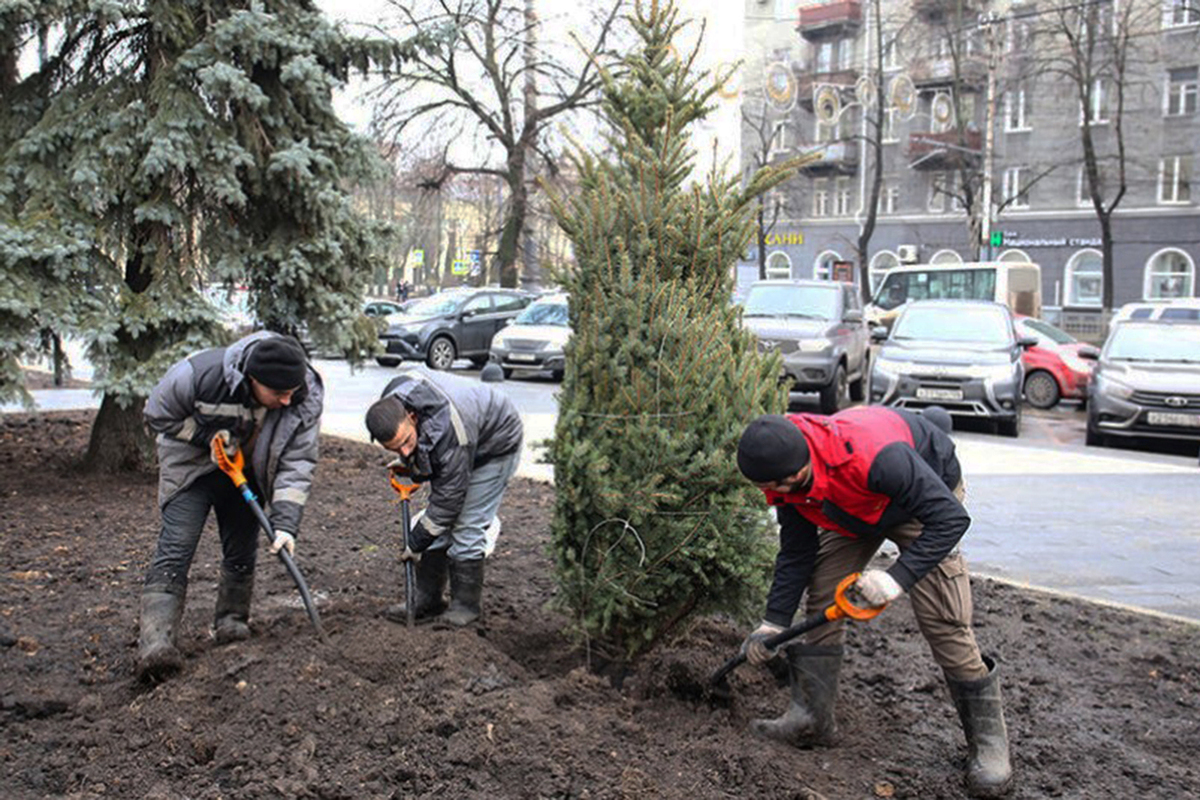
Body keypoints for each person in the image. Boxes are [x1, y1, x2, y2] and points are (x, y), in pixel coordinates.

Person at [735, 406, 1012, 798]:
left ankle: (988, 747)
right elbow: (796, 551)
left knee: (944, 619)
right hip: (852, 504)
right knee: (826, 593)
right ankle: (812, 718)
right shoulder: (786, 468)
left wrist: (895, 579)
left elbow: (950, 519)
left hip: (923, 501)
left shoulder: (876, 457)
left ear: (797, 472)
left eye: (779, 487)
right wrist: (773, 623)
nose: (774, 496)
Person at [137, 332, 323, 681]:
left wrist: (285, 524)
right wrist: (207, 437)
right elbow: (158, 415)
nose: (286, 401)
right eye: (278, 394)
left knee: (241, 546)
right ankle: (155, 643)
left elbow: (297, 461)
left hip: (246, 468)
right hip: (191, 468)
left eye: (291, 393)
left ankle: (232, 621)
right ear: (253, 380)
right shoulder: (198, 376)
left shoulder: (302, 395)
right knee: (177, 544)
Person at [364, 367, 522, 627]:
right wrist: (411, 462)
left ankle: (466, 607)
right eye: (395, 448)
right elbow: (428, 452)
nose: (403, 451)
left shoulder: (451, 431)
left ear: (412, 417)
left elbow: (447, 505)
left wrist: (415, 543)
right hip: (460, 440)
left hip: (495, 445)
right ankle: (428, 599)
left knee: (465, 524)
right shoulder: (392, 403)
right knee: (439, 519)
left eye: (406, 442)